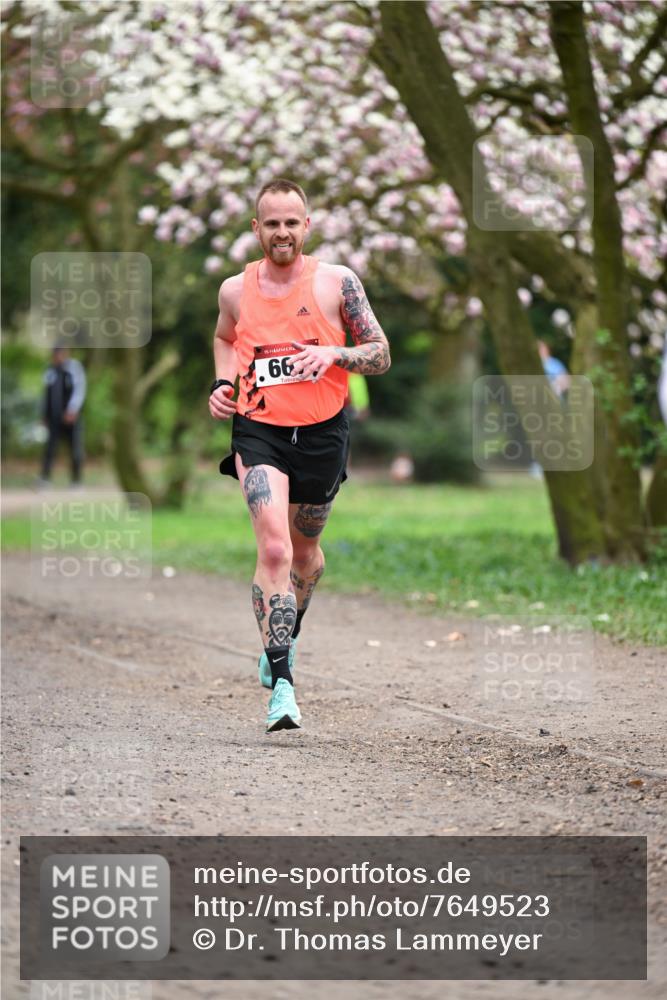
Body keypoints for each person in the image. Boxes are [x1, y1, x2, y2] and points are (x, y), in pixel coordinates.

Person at [209, 178, 391, 733]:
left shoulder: (337, 282)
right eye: (272, 223)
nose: (282, 232)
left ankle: (283, 638)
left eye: (292, 222)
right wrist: (222, 384)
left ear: (306, 226)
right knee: (274, 547)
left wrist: (333, 354)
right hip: (258, 431)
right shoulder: (235, 290)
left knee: (306, 555)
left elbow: (380, 353)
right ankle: (283, 687)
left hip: (322, 434)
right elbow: (224, 338)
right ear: (256, 228)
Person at [39, 346, 86, 488]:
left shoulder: (74, 368)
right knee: (50, 449)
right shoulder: (50, 371)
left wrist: (72, 410)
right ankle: (44, 479)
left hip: (71, 417)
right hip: (54, 418)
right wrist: (45, 415)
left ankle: (76, 481)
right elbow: (46, 394)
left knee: (75, 449)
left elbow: (80, 390)